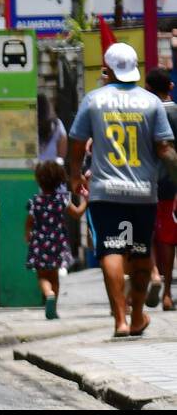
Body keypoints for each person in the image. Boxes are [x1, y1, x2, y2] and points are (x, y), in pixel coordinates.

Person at [68, 42, 177, 337]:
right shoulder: (151, 102)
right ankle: (139, 315)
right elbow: (164, 149)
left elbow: (77, 143)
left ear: (108, 70)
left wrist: (74, 176)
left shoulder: (93, 101)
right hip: (144, 192)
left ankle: (120, 320)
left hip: (105, 192)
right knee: (141, 253)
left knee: (112, 249)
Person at [25, 159, 85, 320]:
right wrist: (87, 200)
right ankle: (54, 307)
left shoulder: (34, 201)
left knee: (42, 276)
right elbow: (78, 213)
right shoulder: (62, 199)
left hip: (39, 242)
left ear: (39, 180)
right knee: (55, 277)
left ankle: (48, 293)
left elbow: (29, 223)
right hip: (57, 242)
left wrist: (27, 236)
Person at [145, 67, 177, 311]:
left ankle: (154, 273)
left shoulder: (144, 113)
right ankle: (167, 293)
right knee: (167, 238)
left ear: (148, 89)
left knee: (147, 233)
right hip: (170, 185)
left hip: (144, 181)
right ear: (171, 87)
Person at [37, 94, 68, 164]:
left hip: (31, 170)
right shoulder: (57, 124)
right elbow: (62, 155)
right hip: (51, 171)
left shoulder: (27, 126)